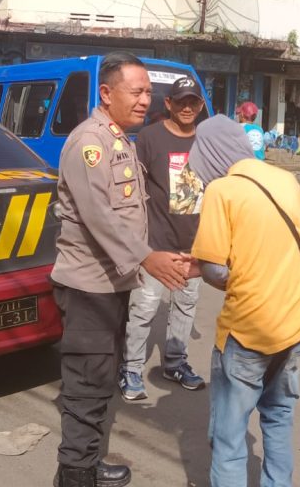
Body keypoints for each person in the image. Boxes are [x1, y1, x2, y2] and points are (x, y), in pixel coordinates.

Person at [51, 52, 193, 487]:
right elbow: (99, 216)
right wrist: (147, 256)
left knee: (102, 381)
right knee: (86, 388)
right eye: (137, 91)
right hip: (88, 288)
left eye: (149, 92)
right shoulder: (89, 142)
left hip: (112, 283)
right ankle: (75, 476)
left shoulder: (119, 139)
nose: (145, 100)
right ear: (106, 93)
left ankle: (87, 464)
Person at [189, 115, 300, 487]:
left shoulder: (222, 191)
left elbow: (215, 271)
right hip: (296, 320)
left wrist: (204, 268)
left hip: (248, 330)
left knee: (230, 437)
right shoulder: (286, 179)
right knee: (278, 417)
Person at [118, 76, 207, 401]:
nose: (187, 107)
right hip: (155, 246)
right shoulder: (149, 137)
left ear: (200, 105)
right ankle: (131, 369)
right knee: (144, 310)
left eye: (193, 102)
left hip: (194, 247)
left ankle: (175, 363)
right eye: (180, 101)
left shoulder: (206, 141)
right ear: (168, 104)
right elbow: (131, 189)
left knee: (185, 308)